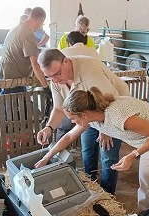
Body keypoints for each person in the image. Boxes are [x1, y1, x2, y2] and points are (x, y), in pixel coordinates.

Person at [35, 87, 149, 216]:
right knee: (147, 188)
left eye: (73, 119)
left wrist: (133, 155)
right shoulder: (92, 118)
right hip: (148, 140)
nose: (73, 122)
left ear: (84, 114)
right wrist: (46, 157)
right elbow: (68, 137)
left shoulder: (118, 115)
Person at [36, 49, 130, 194]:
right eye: (49, 77)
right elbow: (59, 108)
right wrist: (49, 128)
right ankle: (91, 188)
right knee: (87, 152)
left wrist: (106, 130)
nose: (54, 80)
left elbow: (112, 101)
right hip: (88, 114)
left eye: (57, 74)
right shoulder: (56, 80)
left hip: (113, 111)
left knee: (107, 156)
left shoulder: (90, 72)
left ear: (66, 61)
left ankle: (108, 195)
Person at [55, 31, 101, 141]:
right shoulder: (94, 52)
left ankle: (59, 155)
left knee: (65, 129)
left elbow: (58, 108)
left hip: (82, 106)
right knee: (100, 145)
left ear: (67, 43)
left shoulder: (63, 54)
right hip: (94, 106)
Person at [0, 7, 50, 94]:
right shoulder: (28, 35)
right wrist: (46, 87)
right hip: (14, 82)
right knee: (15, 107)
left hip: (5, 77)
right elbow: (35, 64)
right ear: (41, 21)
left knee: (11, 106)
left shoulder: (15, 29)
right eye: (43, 24)